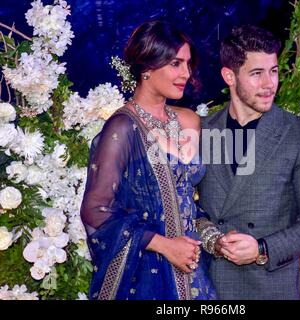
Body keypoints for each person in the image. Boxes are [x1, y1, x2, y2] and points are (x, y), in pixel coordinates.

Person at [197, 24, 300, 299]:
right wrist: (210, 235)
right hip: (211, 286)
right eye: (257, 73)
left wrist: (262, 249)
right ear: (229, 76)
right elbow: (184, 203)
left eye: (273, 71)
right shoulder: (203, 130)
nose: (269, 84)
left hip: (271, 288)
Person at [80, 20, 217, 300]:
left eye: (188, 64)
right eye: (176, 64)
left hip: (193, 269)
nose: (186, 74)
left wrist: (213, 235)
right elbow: (95, 209)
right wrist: (165, 246)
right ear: (147, 67)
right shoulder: (122, 128)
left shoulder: (189, 121)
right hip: (147, 274)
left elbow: (187, 201)